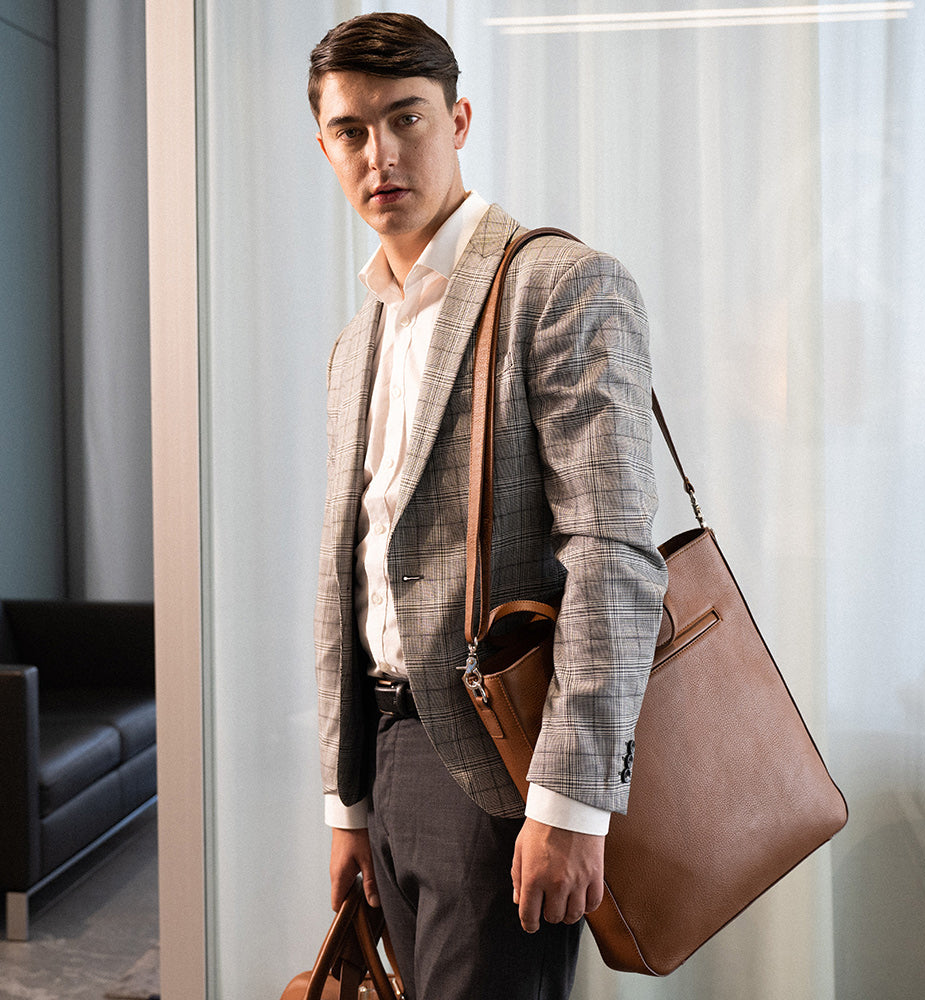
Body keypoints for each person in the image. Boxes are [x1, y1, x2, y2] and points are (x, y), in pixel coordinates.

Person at [308, 13, 668, 999]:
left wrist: (571, 801)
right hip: (384, 753)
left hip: (504, 764)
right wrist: (346, 802)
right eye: (350, 130)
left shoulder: (559, 286)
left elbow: (612, 550)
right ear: (325, 145)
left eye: (406, 118)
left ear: (458, 120)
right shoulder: (357, 341)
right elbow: (350, 570)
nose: (380, 154)